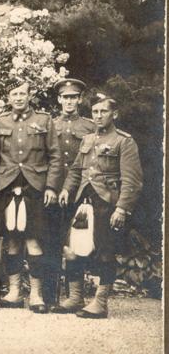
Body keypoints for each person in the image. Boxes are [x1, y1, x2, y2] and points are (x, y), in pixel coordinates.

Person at [56, 95, 143, 319]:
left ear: (114, 114)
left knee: (105, 252)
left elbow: (132, 180)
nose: (98, 116)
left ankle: (100, 302)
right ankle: (76, 297)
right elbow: (76, 170)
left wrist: (122, 208)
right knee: (72, 249)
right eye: (94, 112)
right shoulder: (87, 139)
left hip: (107, 203)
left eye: (103, 111)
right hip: (82, 202)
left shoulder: (124, 141)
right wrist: (67, 189)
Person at [0, 78, 61, 313]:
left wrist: (51, 187)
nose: (18, 98)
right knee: (11, 240)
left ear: (30, 96)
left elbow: (55, 156)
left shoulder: (44, 120)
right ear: (8, 98)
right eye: (14, 94)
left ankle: (36, 295)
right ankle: (13, 293)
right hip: (7, 185)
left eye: (22, 94)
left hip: (35, 186)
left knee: (33, 239)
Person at [44, 78, 95, 307]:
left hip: (77, 193)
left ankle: (75, 296)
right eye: (65, 97)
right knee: (52, 241)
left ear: (80, 99)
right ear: (59, 99)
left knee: (76, 242)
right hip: (53, 192)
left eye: (73, 97)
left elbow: (92, 163)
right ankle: (50, 296)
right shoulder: (50, 124)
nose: (69, 101)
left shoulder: (89, 127)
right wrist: (51, 188)